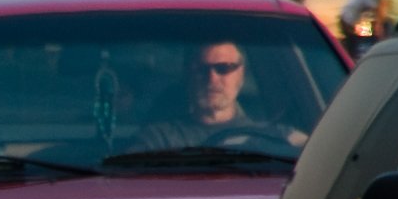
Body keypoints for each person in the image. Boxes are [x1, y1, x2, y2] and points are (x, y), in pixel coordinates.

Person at [130, 40, 306, 151]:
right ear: (188, 75)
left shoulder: (277, 136)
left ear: (241, 74)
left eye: (223, 68)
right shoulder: (158, 140)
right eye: (201, 69)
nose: (212, 78)